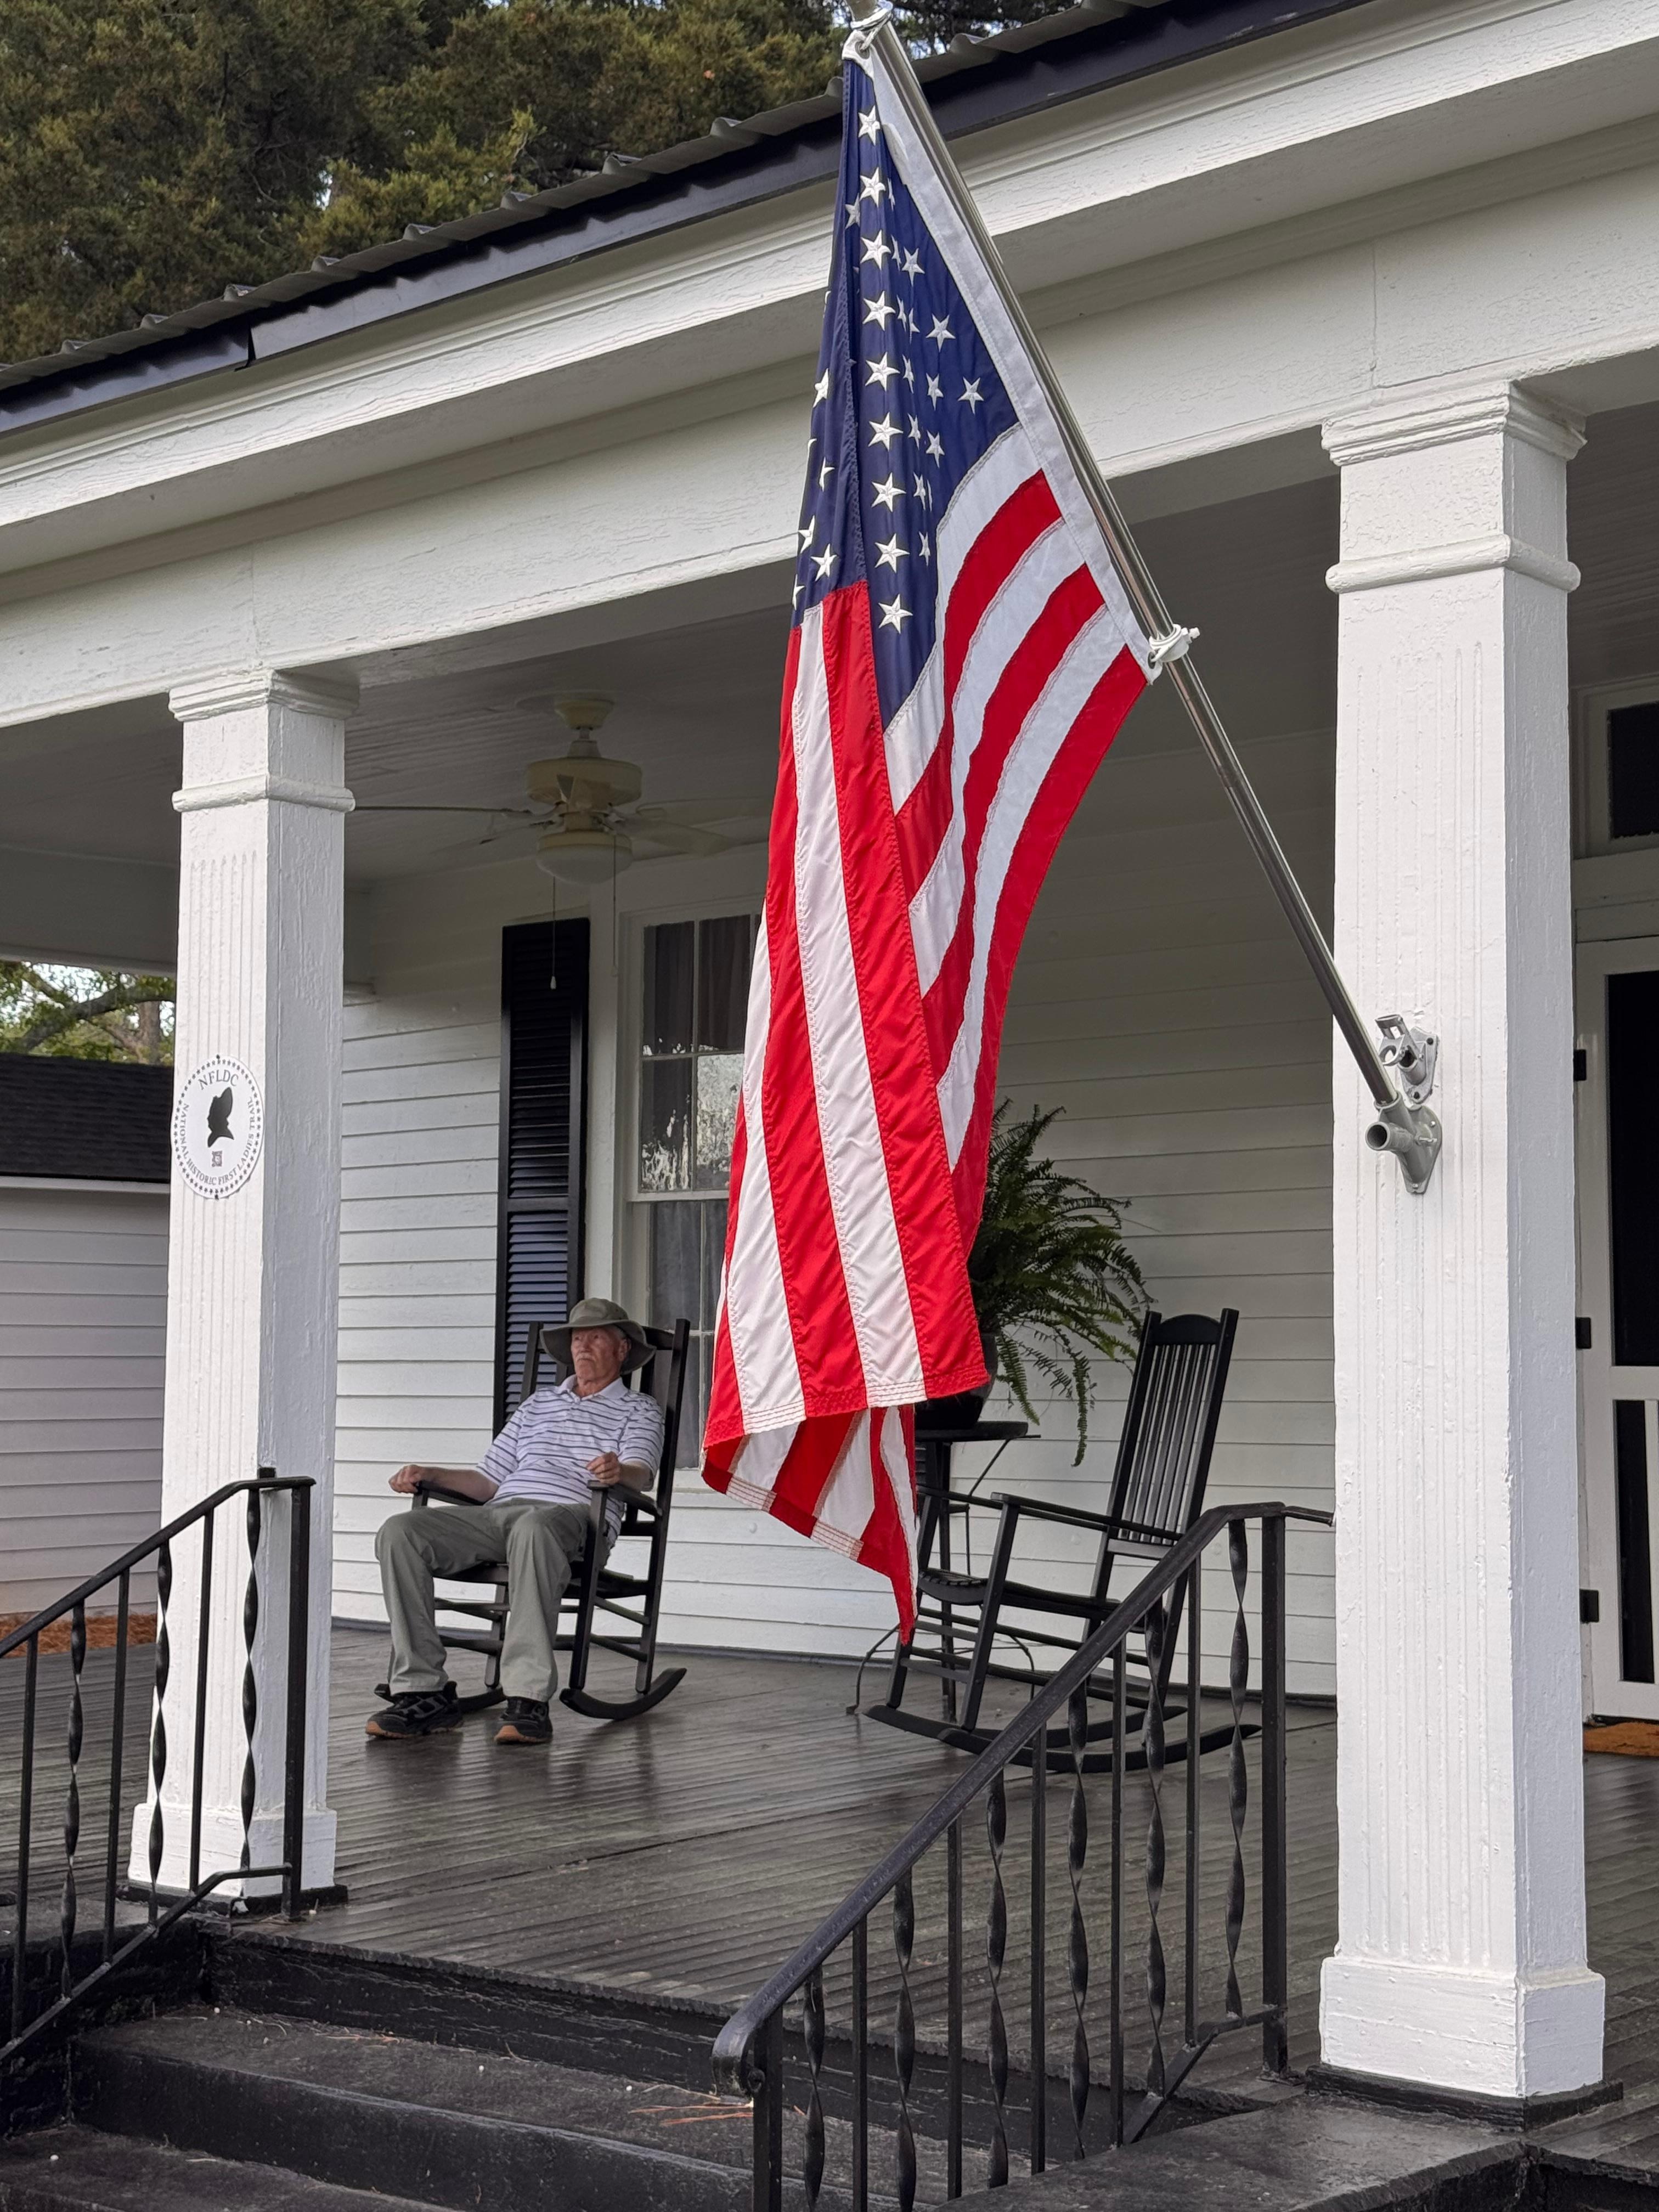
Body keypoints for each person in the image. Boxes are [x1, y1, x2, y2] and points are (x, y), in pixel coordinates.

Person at [367, 1298, 664, 1747]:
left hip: (573, 1518)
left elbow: (642, 1471)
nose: (582, 1346)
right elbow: (487, 1481)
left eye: (596, 1336)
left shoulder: (639, 1410)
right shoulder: (537, 1405)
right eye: (576, 1338)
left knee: (533, 1527)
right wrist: (431, 1474)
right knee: (401, 1533)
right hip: (501, 1514)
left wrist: (618, 1471)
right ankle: (422, 1692)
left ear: (623, 1349)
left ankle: (528, 1699)